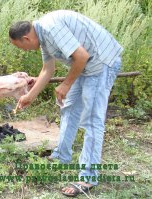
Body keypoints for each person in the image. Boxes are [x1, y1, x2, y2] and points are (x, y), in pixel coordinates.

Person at [9, 10, 123, 197]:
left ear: (26, 38)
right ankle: (61, 156)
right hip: (85, 65)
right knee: (68, 107)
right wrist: (30, 96)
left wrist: (66, 83)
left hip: (102, 63)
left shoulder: (50, 28)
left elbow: (82, 56)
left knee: (91, 120)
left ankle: (88, 176)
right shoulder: (42, 36)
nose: (24, 51)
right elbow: (48, 69)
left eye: (21, 47)